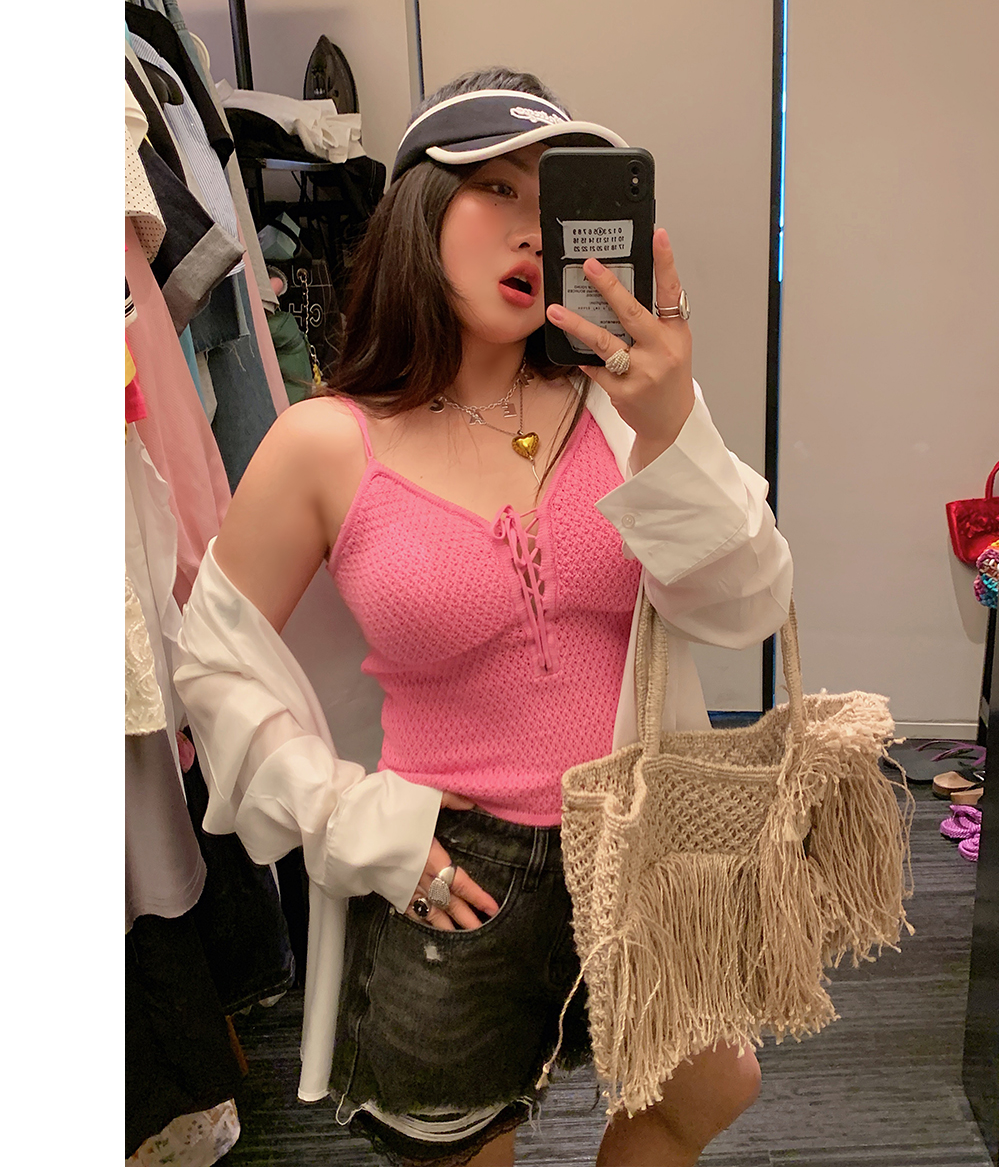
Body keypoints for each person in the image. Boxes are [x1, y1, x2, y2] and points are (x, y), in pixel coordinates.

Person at [174, 67, 793, 1167]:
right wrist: (349, 818)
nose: (531, 228)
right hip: (453, 868)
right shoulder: (328, 441)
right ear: (419, 211)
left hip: (639, 839)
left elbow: (747, 605)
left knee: (706, 1080)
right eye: (497, 189)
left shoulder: (622, 409)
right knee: (460, 1141)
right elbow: (212, 661)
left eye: (554, 202)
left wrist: (672, 430)